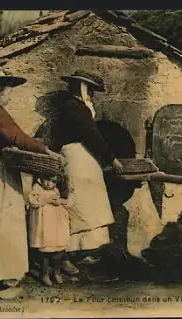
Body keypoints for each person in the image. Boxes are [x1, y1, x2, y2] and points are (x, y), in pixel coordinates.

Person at [0, 68, 64, 299]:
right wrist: (46, 150)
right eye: (8, 90)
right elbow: (17, 137)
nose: (10, 95)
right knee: (1, 227)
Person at [49, 70, 124, 270]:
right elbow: (91, 134)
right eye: (89, 89)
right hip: (76, 155)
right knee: (79, 202)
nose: (91, 94)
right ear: (81, 88)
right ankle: (67, 254)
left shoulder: (77, 106)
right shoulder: (74, 107)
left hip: (83, 156)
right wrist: (112, 159)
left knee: (88, 202)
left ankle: (84, 250)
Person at [27, 174, 75, 286]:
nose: (50, 184)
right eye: (47, 180)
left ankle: (56, 272)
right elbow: (33, 201)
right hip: (45, 224)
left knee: (59, 250)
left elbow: (70, 201)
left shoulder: (58, 189)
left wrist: (61, 201)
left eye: (53, 181)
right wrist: (47, 199)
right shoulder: (37, 188)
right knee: (46, 251)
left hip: (58, 224)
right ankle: (44, 273)